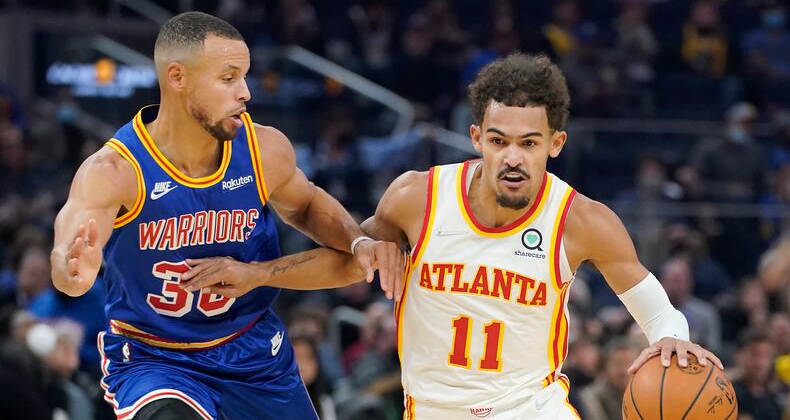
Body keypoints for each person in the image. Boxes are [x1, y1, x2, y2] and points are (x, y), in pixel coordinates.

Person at [180, 53, 723, 419]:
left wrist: (669, 335)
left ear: (555, 144)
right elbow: (350, 262)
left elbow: (653, 306)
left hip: (531, 409)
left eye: (529, 143)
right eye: (499, 140)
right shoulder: (417, 198)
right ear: (476, 138)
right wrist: (255, 276)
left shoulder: (582, 220)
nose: (512, 156)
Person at [49, 11, 400, 420]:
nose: (245, 92)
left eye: (245, 76)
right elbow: (66, 253)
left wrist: (357, 241)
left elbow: (305, 205)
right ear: (177, 77)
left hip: (252, 349)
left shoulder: (262, 149)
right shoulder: (115, 170)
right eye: (229, 77)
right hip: (157, 359)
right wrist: (72, 272)